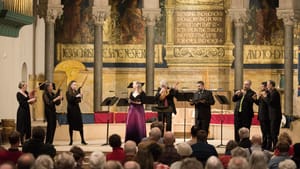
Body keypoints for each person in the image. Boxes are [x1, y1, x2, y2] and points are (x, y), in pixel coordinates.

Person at [66, 80, 87, 145]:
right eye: (74, 84)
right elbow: (70, 100)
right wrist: (76, 96)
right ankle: (71, 140)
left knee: (80, 124)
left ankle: (82, 140)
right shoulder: (68, 92)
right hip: (71, 110)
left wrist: (80, 96)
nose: (75, 86)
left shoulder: (76, 92)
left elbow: (78, 101)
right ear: (71, 85)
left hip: (77, 109)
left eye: (76, 85)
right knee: (71, 126)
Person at [263, 80, 282, 150]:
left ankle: (275, 148)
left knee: (274, 133)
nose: (267, 86)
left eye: (268, 84)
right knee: (272, 132)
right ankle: (274, 147)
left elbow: (270, 102)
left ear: (271, 85)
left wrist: (265, 97)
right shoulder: (271, 92)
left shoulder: (275, 93)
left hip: (275, 116)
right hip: (272, 116)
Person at [253, 81, 271, 150]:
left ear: (266, 87)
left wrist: (264, 96)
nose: (261, 88)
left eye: (262, 86)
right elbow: (259, 104)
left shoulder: (268, 94)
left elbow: (268, 103)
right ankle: (264, 144)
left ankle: (268, 145)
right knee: (263, 131)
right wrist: (255, 100)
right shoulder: (262, 94)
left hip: (266, 116)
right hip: (261, 115)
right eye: (261, 86)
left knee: (267, 132)